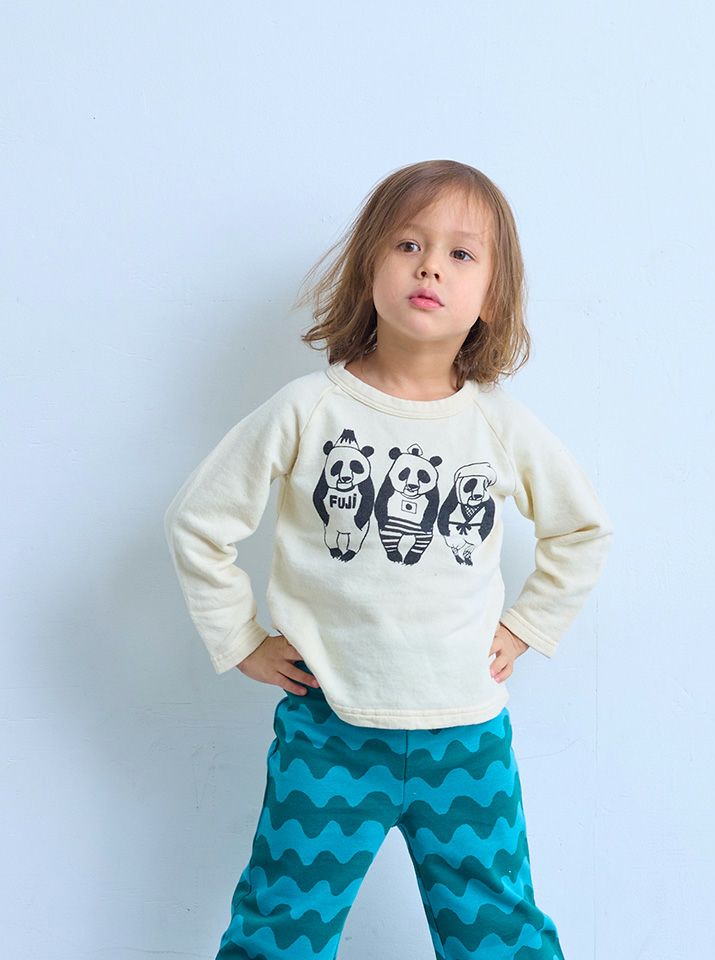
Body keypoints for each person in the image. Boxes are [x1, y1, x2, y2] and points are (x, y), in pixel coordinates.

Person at [163, 158, 613, 960]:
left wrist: (528, 626)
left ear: (492, 297)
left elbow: (582, 530)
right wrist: (240, 639)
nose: (431, 266)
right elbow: (200, 522)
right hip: (328, 730)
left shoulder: (498, 425)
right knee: (280, 930)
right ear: (369, 266)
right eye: (408, 244)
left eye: (461, 254)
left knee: (499, 933)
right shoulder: (309, 409)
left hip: (466, 736)